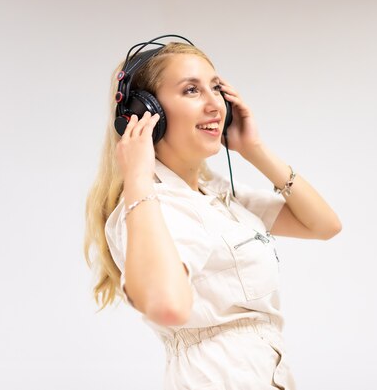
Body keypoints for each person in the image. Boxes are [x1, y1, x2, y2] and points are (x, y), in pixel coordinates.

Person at [83, 40, 342, 390]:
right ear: (145, 113)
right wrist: (138, 179)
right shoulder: (149, 207)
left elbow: (324, 225)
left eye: (216, 88)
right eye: (191, 90)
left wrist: (254, 150)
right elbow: (167, 306)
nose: (214, 104)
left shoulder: (216, 194)